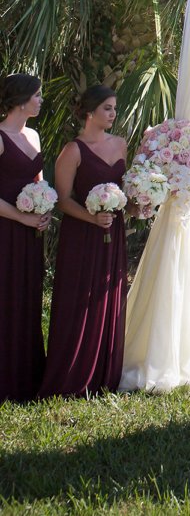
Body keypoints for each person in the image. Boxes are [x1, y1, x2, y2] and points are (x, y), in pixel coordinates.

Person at [41, 85, 128, 398]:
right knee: (79, 300)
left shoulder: (121, 145)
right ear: (90, 112)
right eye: (107, 108)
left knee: (107, 297)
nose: (113, 114)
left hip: (113, 233)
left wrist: (138, 204)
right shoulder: (73, 150)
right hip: (81, 234)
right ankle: (72, 376)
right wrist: (93, 218)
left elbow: (125, 191)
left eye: (114, 108)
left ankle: (106, 374)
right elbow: (62, 200)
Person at [0, 73, 50, 401]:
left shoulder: (33, 134)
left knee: (28, 296)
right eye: (37, 95)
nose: (40, 100)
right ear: (20, 100)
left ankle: (28, 377)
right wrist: (21, 217)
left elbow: (39, 181)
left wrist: (44, 209)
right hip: (5, 230)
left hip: (32, 233)